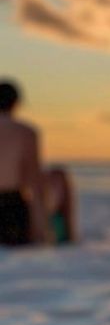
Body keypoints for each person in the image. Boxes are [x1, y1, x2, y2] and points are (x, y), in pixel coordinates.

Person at [0, 80, 46, 245]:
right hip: (9, 210)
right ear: (17, 103)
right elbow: (34, 183)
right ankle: (71, 235)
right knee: (60, 176)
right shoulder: (25, 132)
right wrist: (41, 228)